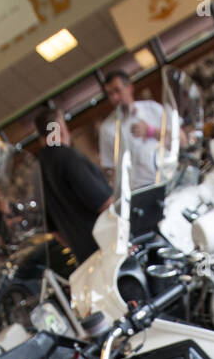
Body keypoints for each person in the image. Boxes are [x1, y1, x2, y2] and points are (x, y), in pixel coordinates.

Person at [33, 107, 112, 267]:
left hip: (84, 258)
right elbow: (105, 203)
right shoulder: (68, 157)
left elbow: (55, 233)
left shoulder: (37, 172)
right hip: (109, 249)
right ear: (60, 128)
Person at [98, 69, 164, 191]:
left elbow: (181, 139)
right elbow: (110, 170)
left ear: (129, 87)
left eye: (117, 90)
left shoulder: (152, 108)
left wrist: (151, 131)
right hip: (142, 190)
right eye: (110, 94)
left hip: (169, 175)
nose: (114, 97)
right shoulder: (107, 129)